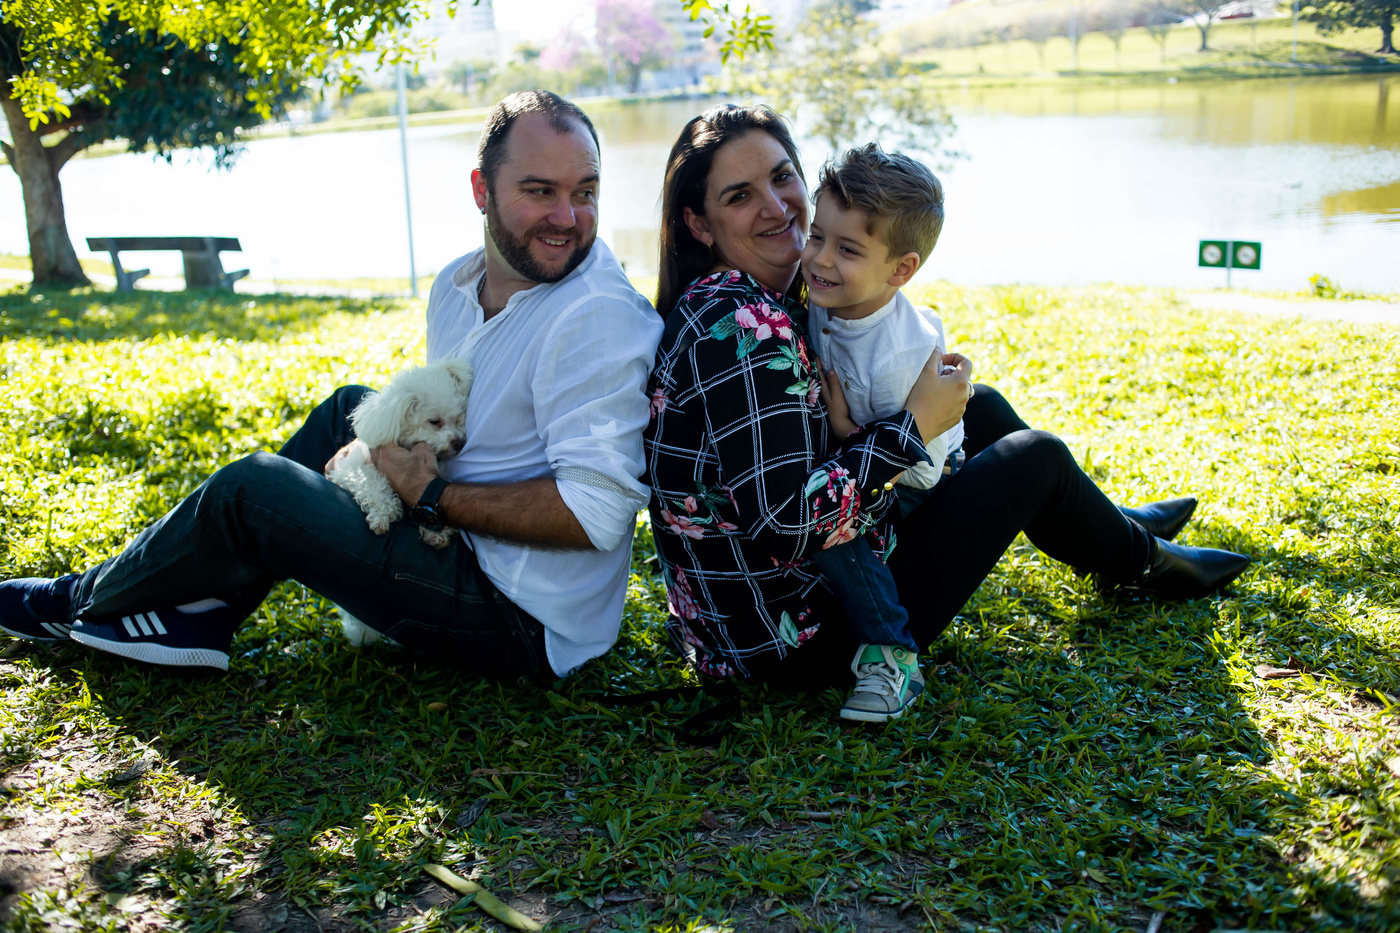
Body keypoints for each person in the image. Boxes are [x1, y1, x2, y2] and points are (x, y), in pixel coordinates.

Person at [0, 90, 664, 681]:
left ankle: (76, 602)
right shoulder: (456, 285)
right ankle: (203, 610)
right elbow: (454, 430)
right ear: (481, 190)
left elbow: (596, 512)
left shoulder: (596, 316)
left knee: (253, 488)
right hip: (460, 549)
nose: (568, 217)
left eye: (586, 191)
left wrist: (430, 494)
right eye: (540, 191)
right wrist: (393, 460)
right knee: (350, 409)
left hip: (521, 617)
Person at [643, 103, 1250, 708]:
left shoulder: (737, 299)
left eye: (782, 177)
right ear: (699, 224)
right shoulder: (744, 327)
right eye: (740, 196)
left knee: (979, 406)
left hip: (755, 618)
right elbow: (785, 522)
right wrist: (911, 427)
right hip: (797, 637)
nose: (777, 208)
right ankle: (1142, 561)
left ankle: (1112, 526)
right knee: (1033, 457)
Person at [801, 143, 966, 721]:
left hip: (921, 472)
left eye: (847, 249)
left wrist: (845, 429)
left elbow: (923, 468)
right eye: (816, 236)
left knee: (833, 525)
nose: (820, 259)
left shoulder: (896, 361)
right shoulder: (828, 296)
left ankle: (891, 656)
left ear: (901, 270)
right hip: (878, 453)